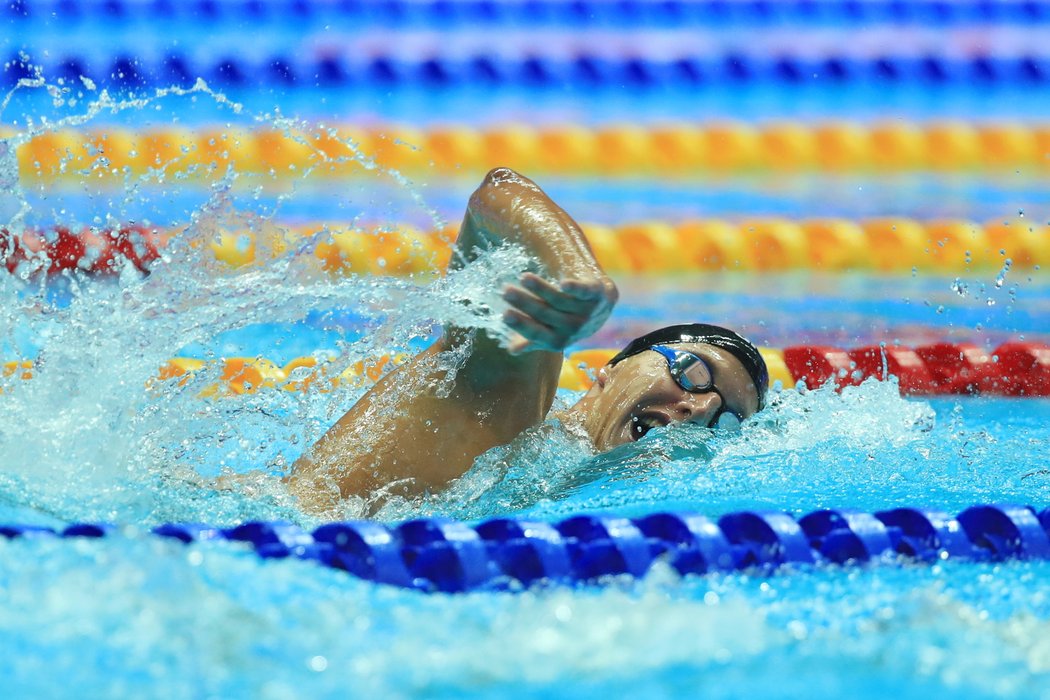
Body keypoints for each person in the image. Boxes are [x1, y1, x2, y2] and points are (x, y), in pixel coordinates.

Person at [287, 168, 768, 515]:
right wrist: (577, 271)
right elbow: (499, 192)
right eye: (692, 371)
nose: (701, 409)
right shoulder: (508, 397)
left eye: (724, 420)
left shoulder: (567, 487)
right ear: (613, 367)